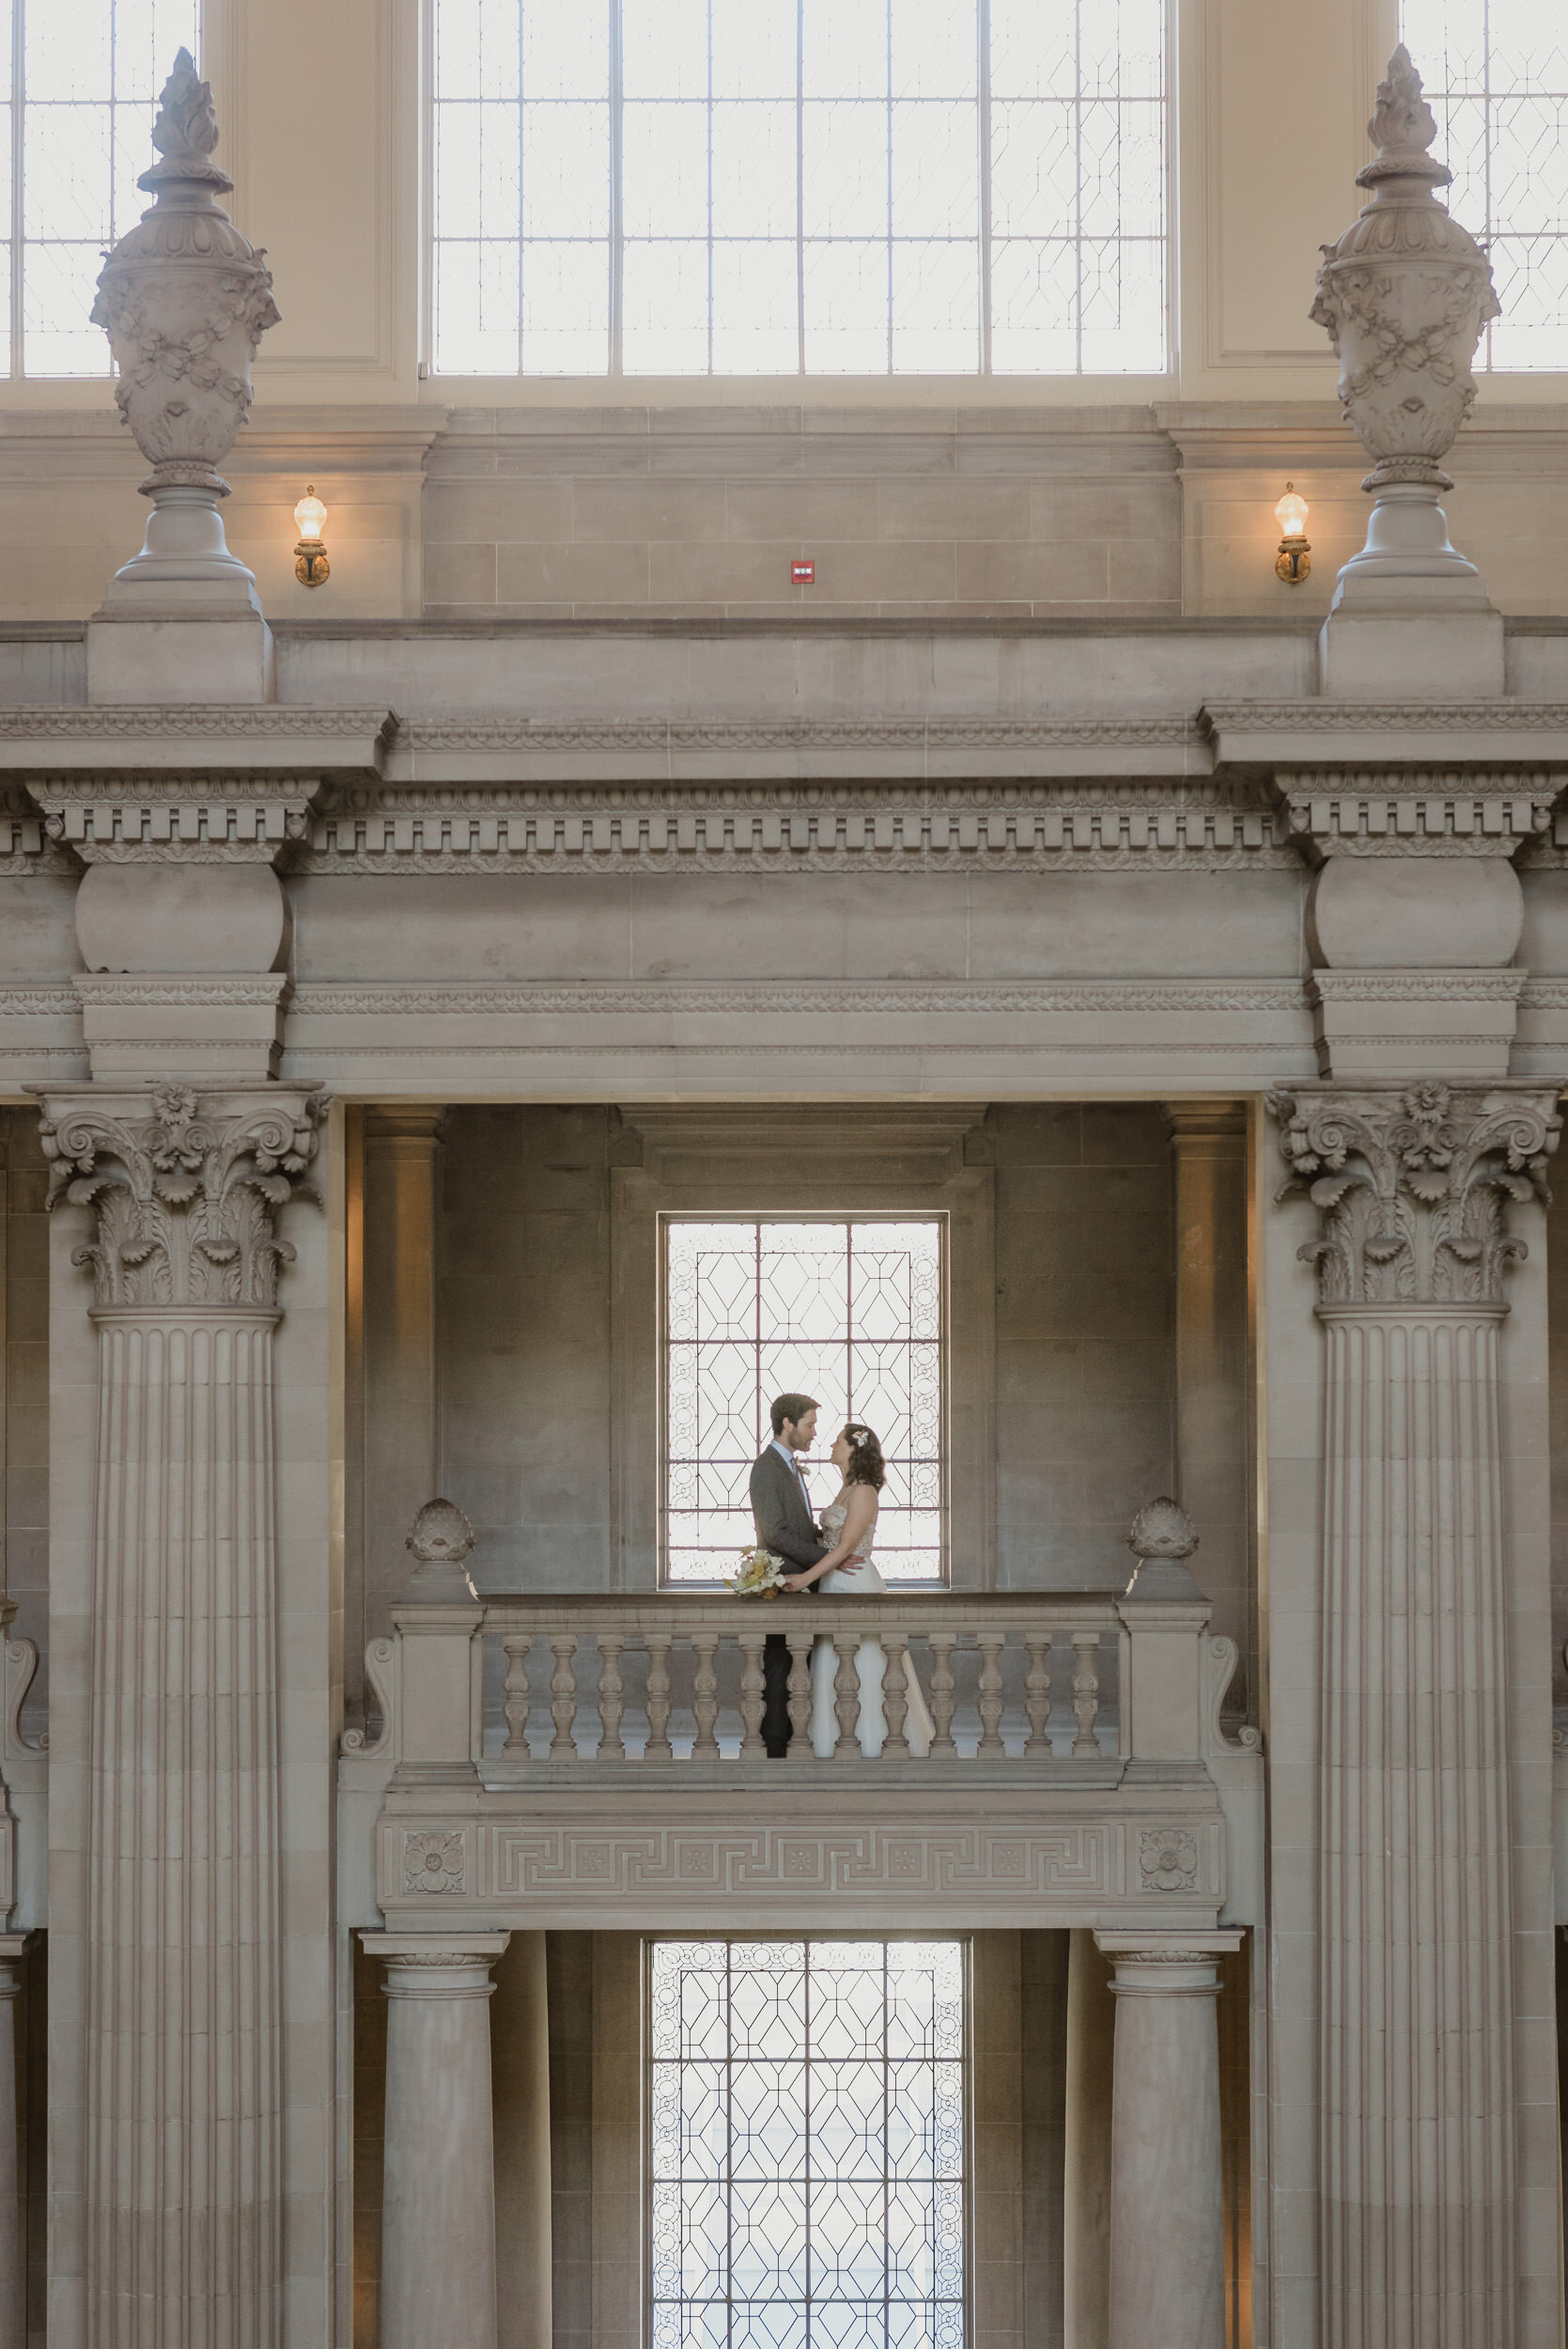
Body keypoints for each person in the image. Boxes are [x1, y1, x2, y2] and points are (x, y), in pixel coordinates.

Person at [782, 1421, 933, 1758]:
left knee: (864, 1659)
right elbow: (831, 1540)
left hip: (854, 1579)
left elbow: (847, 1545)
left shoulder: (864, 1490)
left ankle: (871, 1740)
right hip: (834, 1580)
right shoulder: (847, 1488)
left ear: (853, 1448)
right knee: (833, 1659)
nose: (831, 1445)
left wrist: (805, 1579)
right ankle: (833, 1738)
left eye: (838, 1441)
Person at [748, 1392, 843, 1756]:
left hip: (803, 1580)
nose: (814, 1432)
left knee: (795, 1668)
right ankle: (775, 1749)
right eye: (809, 1424)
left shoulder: (788, 1466)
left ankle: (793, 1741)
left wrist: (829, 1546)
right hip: (785, 1582)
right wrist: (828, 1557)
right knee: (778, 1668)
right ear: (787, 1424)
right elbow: (775, 1533)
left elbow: (797, 1528)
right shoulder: (766, 1467)